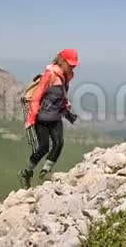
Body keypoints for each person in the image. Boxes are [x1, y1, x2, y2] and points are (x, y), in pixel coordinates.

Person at [18, 48, 78, 188]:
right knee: (43, 148)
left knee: (59, 143)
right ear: (62, 61)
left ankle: (45, 172)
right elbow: (36, 97)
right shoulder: (50, 75)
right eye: (70, 64)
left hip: (56, 116)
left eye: (74, 64)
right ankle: (26, 172)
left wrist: (66, 106)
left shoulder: (66, 75)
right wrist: (31, 119)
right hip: (42, 118)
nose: (73, 66)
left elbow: (60, 95)